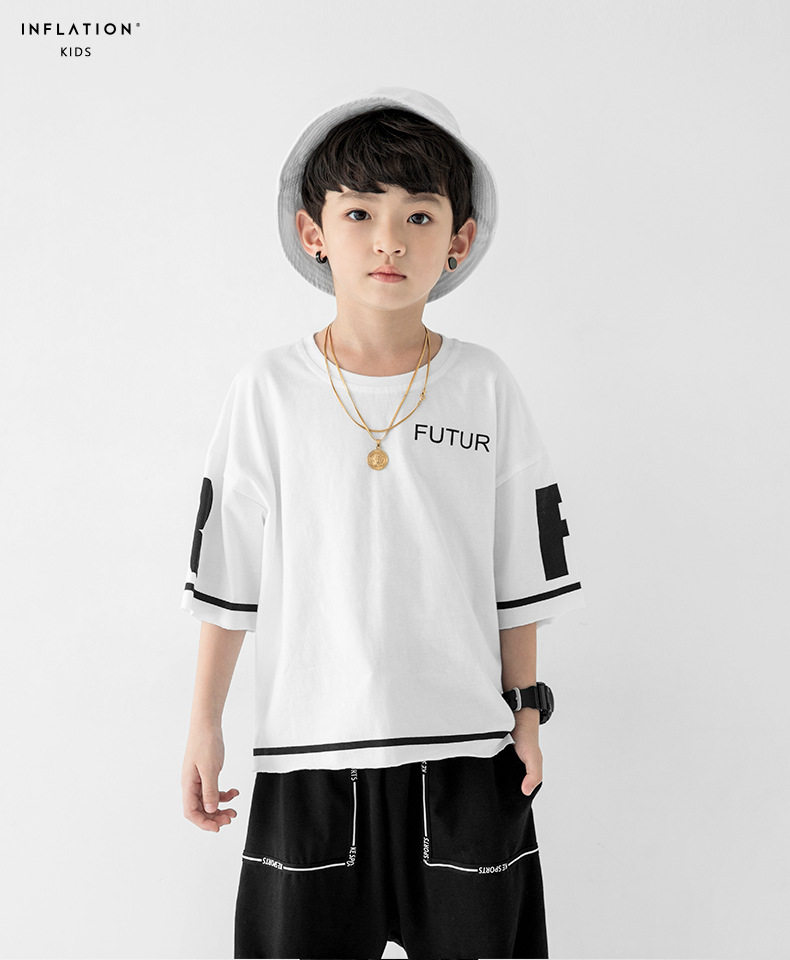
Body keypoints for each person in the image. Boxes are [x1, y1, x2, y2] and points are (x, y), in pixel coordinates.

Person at [180, 86, 586, 960]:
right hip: (309, 761)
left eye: (419, 215)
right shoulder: (268, 389)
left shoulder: (484, 384)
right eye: (360, 212)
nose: (389, 240)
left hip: (469, 760)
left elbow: (519, 570)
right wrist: (205, 723)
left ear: (458, 240)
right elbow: (229, 574)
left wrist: (527, 715)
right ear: (313, 232)